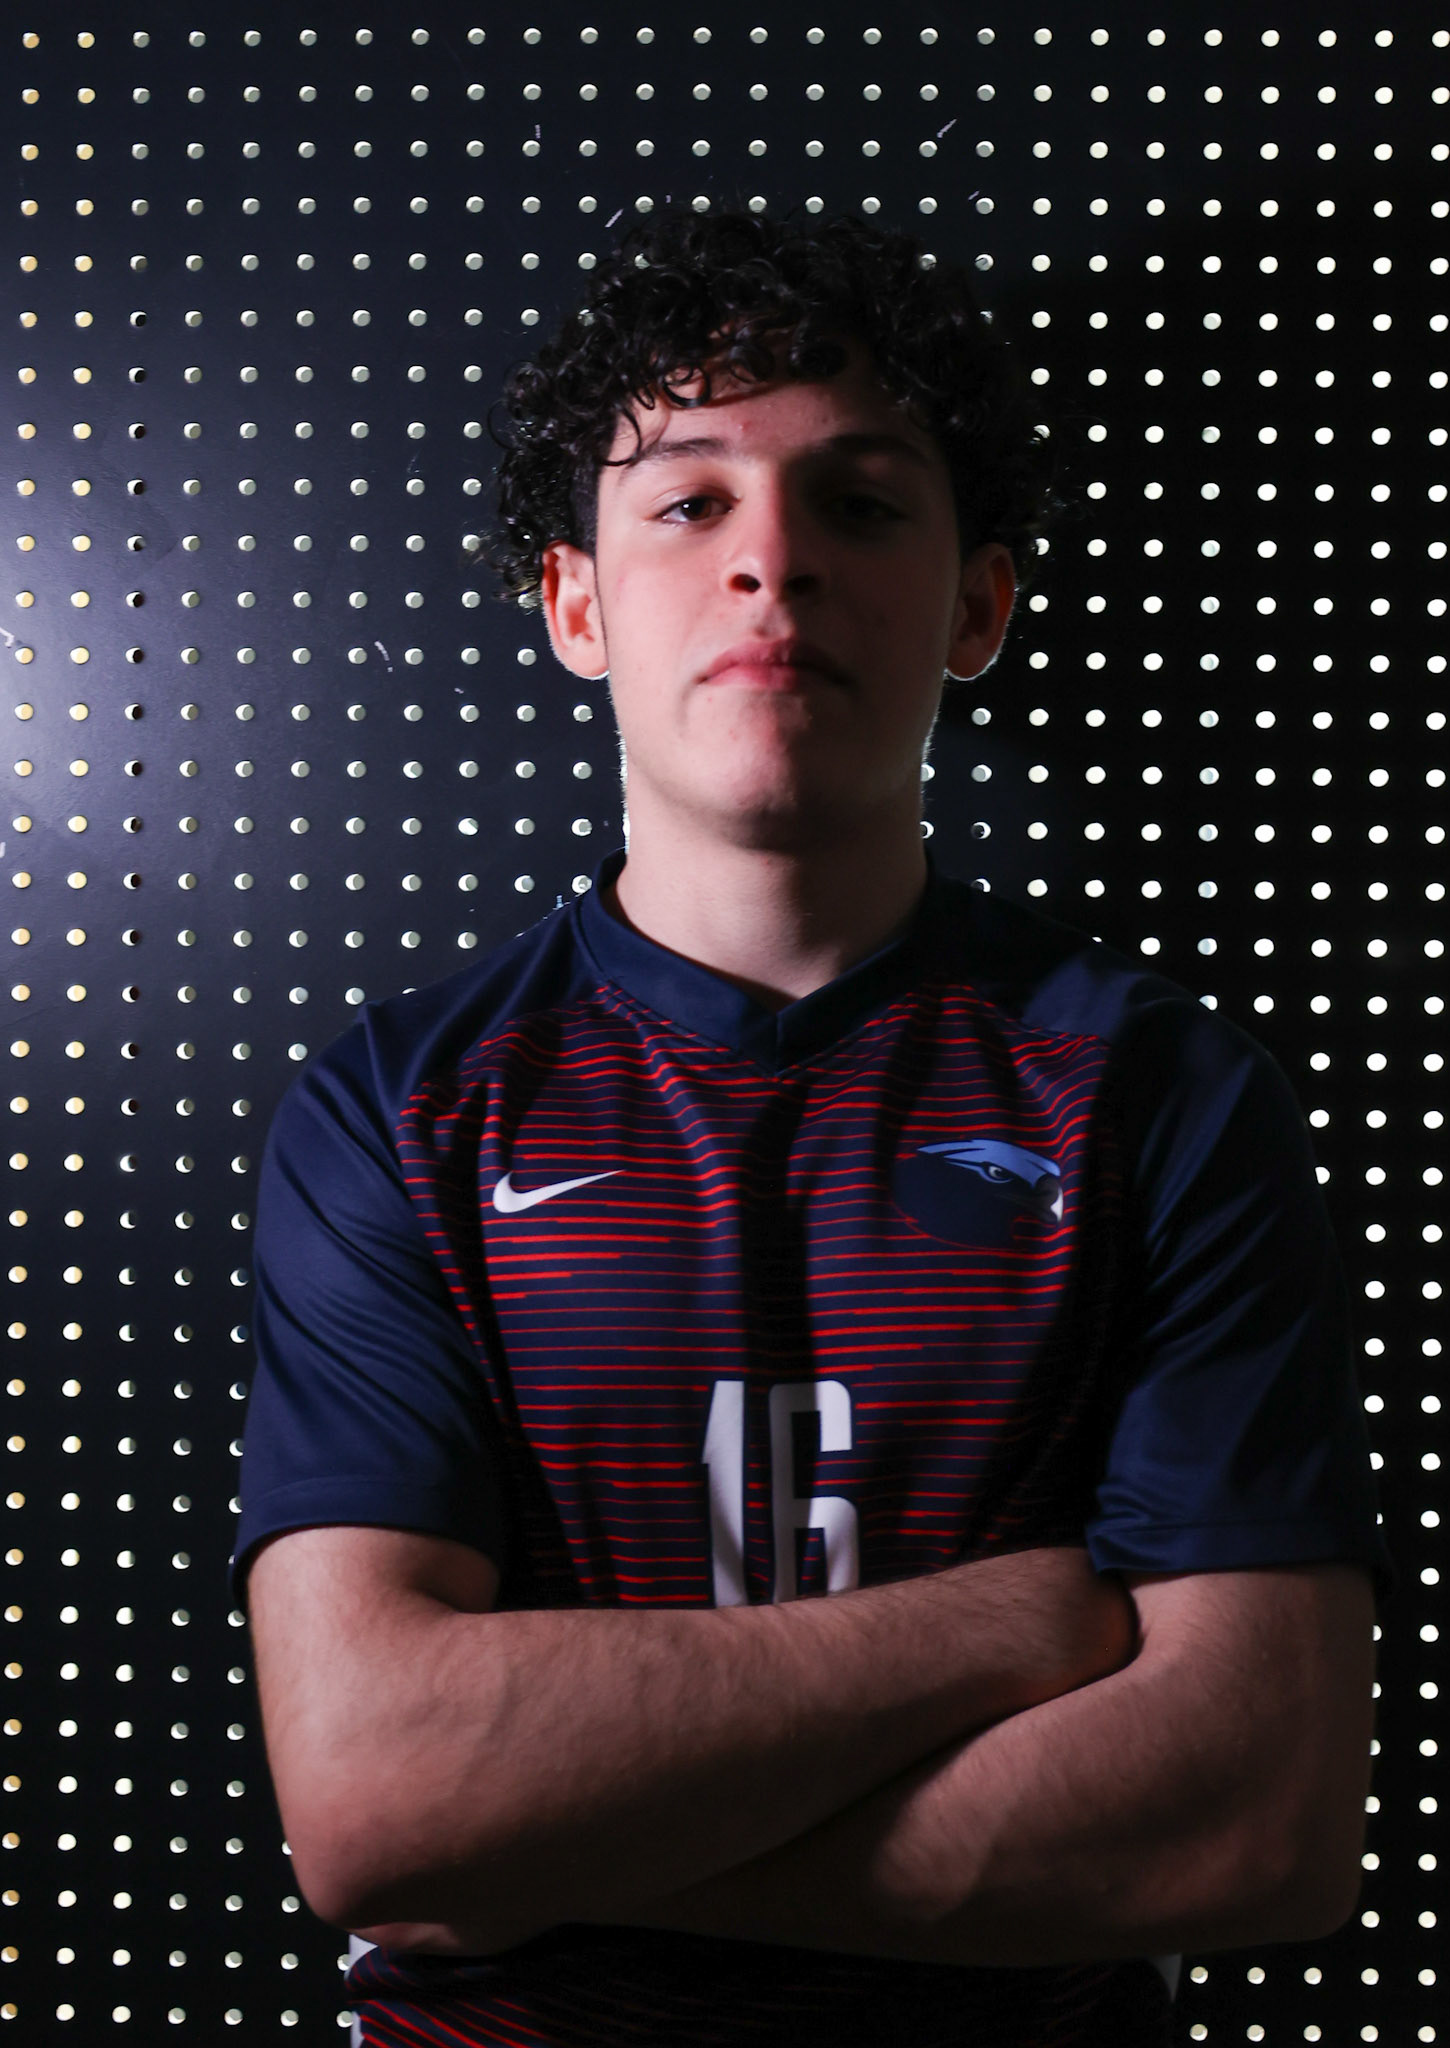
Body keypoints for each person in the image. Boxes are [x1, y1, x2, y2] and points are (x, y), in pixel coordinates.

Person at [232, 205, 1389, 2048]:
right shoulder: (399, 1109)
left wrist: (524, 1851)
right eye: (690, 504)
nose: (774, 563)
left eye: (860, 502)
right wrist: (1006, 1629)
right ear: (576, 605)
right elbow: (377, 1797)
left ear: (978, 604)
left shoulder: (1159, 1095)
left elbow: (1259, 1818)